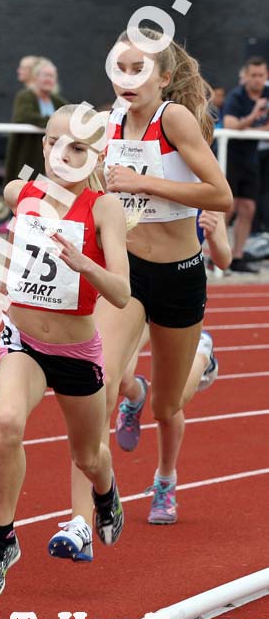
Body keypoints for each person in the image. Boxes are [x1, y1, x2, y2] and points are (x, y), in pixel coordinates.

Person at [62, 29, 232, 536]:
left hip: (179, 274)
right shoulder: (103, 121)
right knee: (101, 382)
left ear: (163, 78)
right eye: (120, 66)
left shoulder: (173, 119)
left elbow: (219, 193)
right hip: (127, 272)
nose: (126, 78)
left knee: (168, 404)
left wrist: (142, 182)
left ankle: (164, 475)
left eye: (139, 69)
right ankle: (80, 518)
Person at [0, 103, 130, 601]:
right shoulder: (21, 194)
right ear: (43, 147)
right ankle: (3, 540)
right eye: (55, 143)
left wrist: (86, 264)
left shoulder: (104, 209)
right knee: (6, 425)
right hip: (23, 341)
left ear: (96, 153)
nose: (64, 154)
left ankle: (105, 493)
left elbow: (122, 293)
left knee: (88, 456)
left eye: (78, 147)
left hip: (77, 351)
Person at [115, 210, 232, 467]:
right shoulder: (134, 176)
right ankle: (136, 396)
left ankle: (203, 357)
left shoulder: (201, 191)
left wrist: (212, 237)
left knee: (166, 404)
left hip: (176, 297)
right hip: (136, 289)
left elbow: (224, 259)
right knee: (118, 379)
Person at [223, 56, 269, 272]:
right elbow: (231, 124)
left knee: (248, 207)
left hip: (251, 157)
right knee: (228, 206)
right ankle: (219, 254)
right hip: (230, 156)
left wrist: (251, 129)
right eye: (253, 75)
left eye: (261, 75)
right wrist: (252, 115)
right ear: (246, 76)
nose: (257, 80)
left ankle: (237, 256)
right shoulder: (237, 96)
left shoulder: (267, 95)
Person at [5, 58, 67, 185]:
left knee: (48, 195)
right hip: (27, 160)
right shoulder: (25, 96)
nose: (48, 79)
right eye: (45, 75)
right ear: (36, 77)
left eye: (52, 76)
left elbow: (71, 115)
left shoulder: (56, 100)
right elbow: (24, 116)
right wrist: (57, 124)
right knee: (26, 191)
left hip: (52, 161)